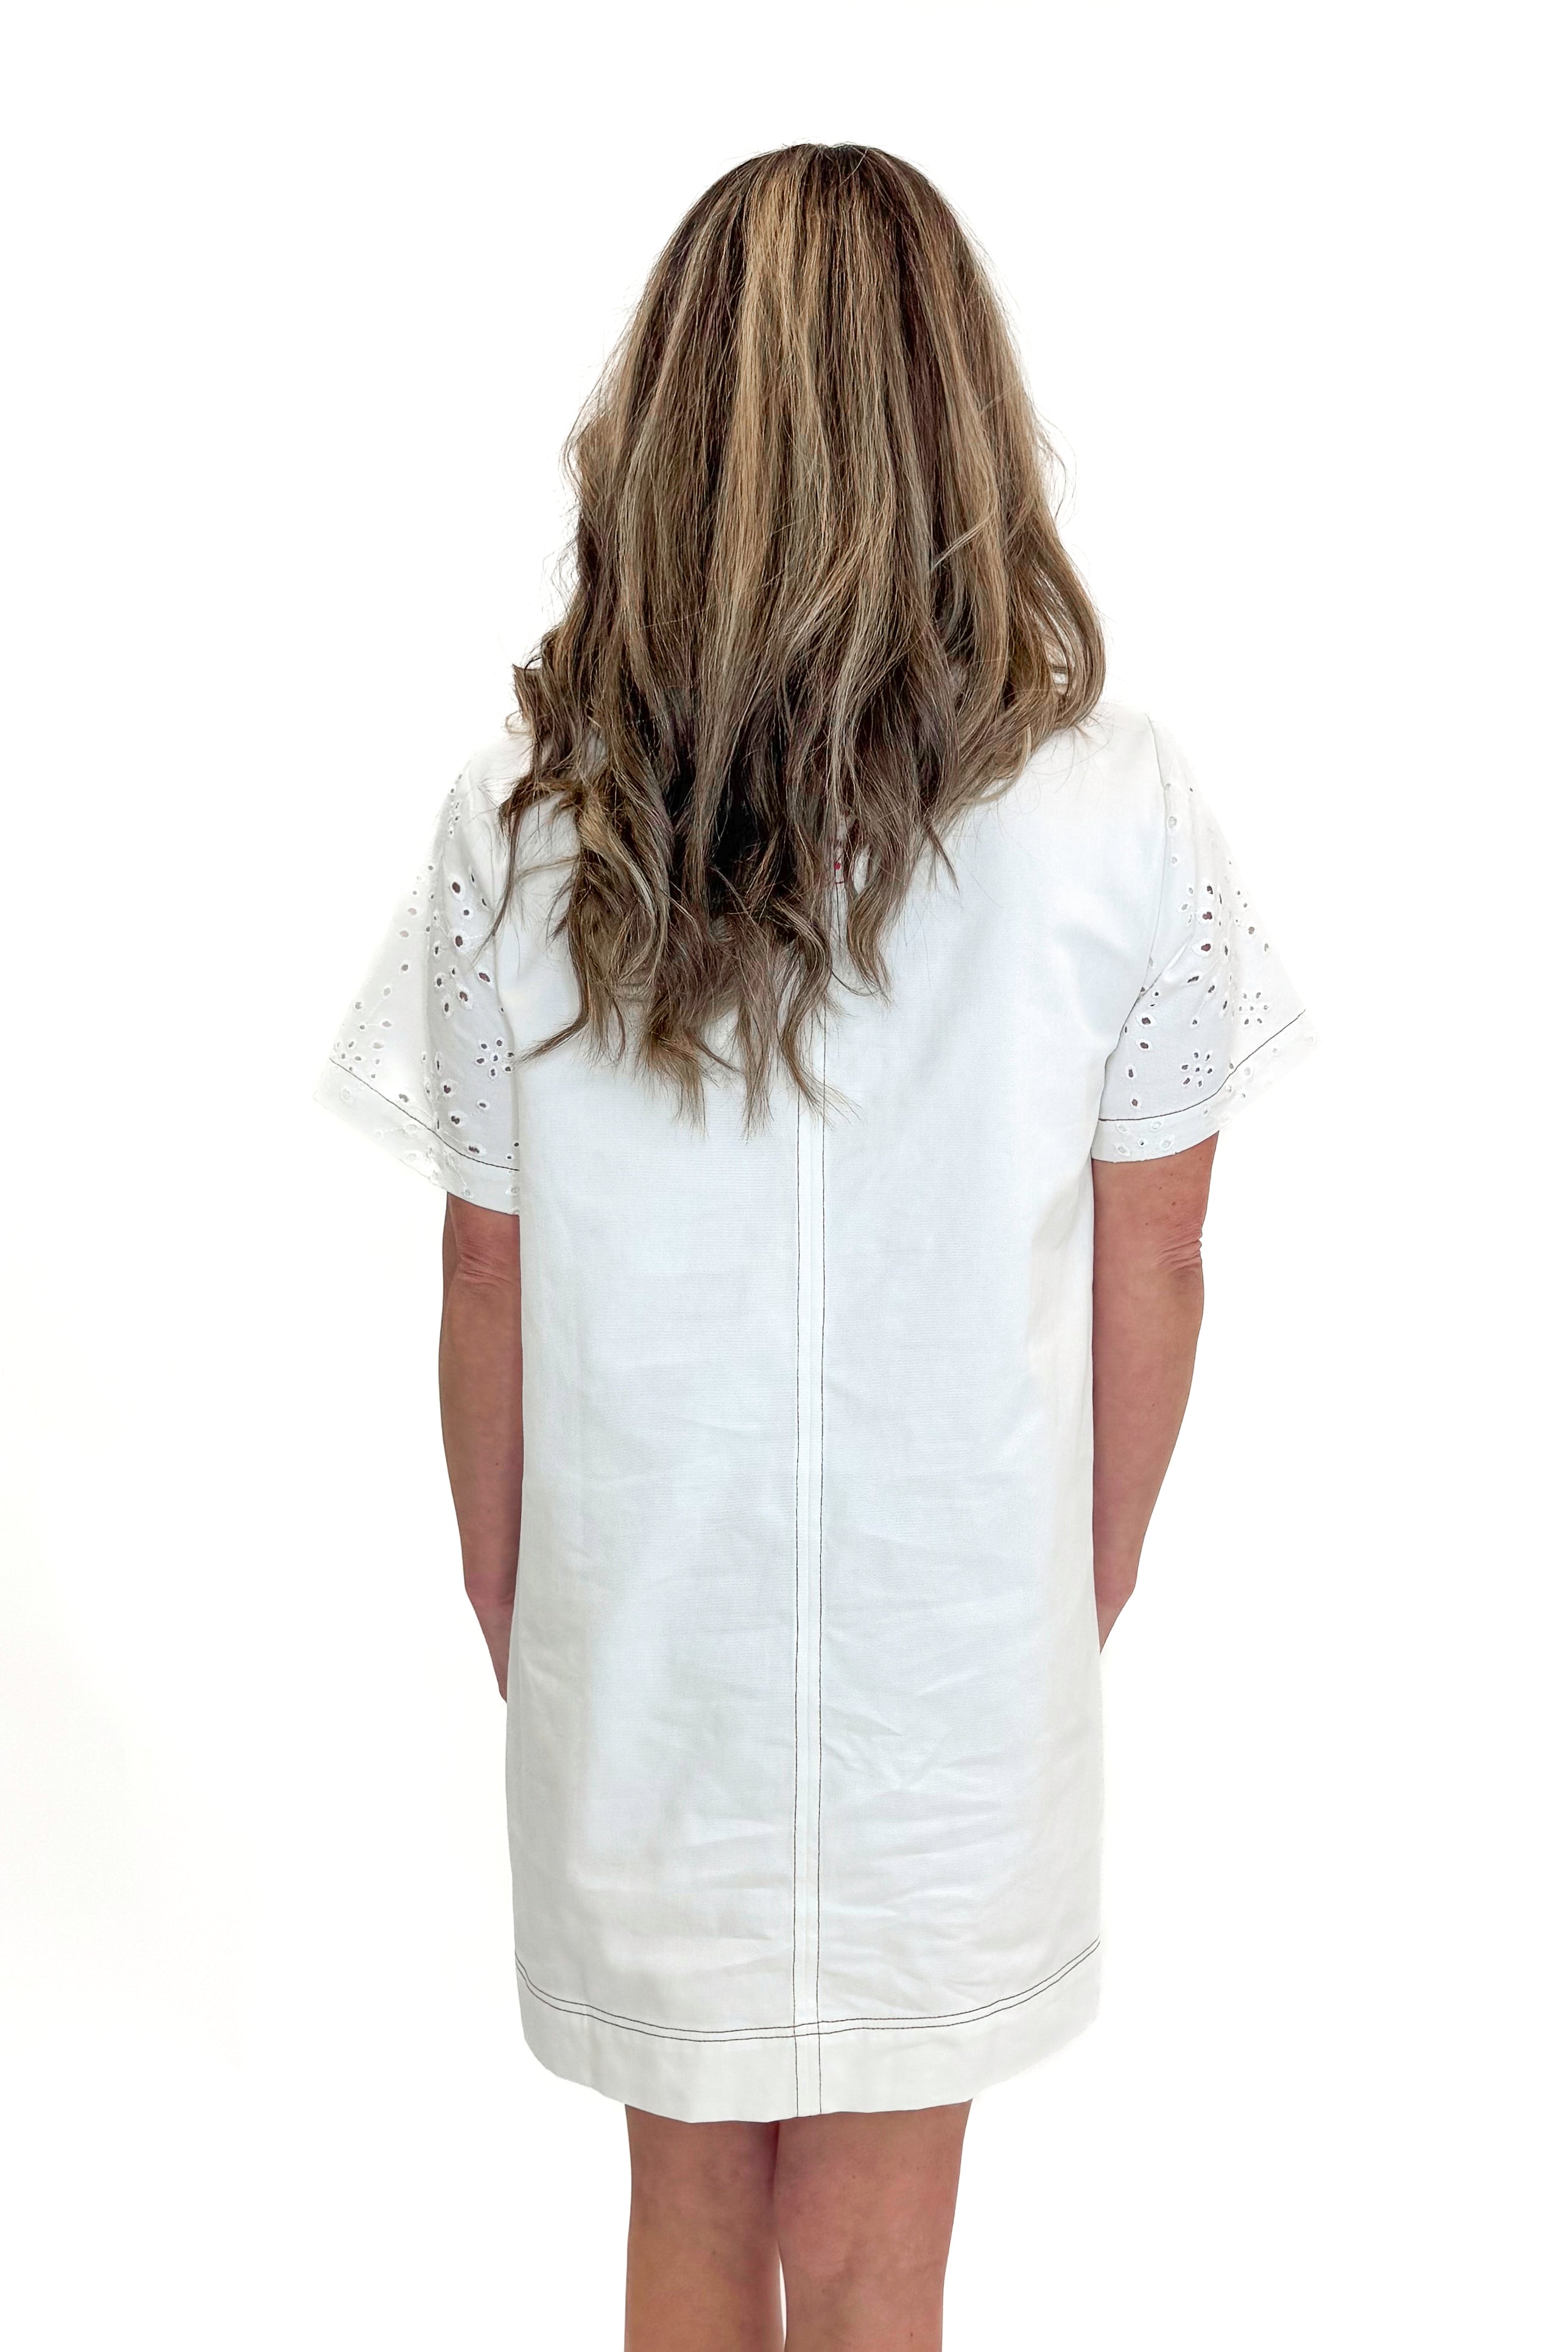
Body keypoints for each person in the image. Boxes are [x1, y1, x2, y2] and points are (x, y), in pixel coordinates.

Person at [315, 143, 1317, 2352]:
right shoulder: (1114, 805)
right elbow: (1158, 1260)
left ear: (671, 422)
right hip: (959, 1647)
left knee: (685, 2226)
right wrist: (1091, 1574)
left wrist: (510, 1582)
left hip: (638, 1626)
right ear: (965, 420)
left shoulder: (526, 811)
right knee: (878, 2265)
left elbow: (486, 1276)